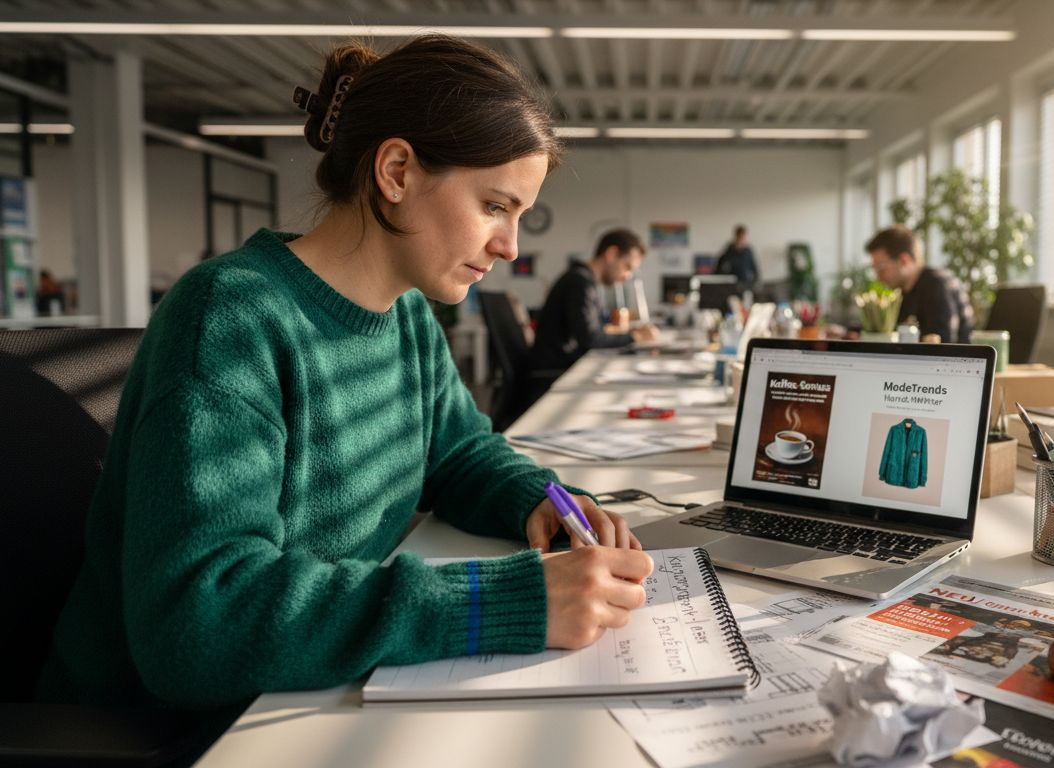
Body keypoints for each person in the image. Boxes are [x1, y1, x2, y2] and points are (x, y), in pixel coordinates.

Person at [40, 35, 653, 713]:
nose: (510, 245)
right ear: (395, 171)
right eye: (495, 206)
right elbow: (200, 619)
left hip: (307, 685)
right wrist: (497, 601)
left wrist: (541, 499)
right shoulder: (230, 317)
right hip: (177, 729)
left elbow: (458, 453)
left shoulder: (408, 316)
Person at [530, 228, 659, 373]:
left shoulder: (584, 280)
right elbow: (590, 339)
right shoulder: (579, 282)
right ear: (612, 254)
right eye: (627, 267)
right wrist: (635, 336)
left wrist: (631, 331)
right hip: (556, 372)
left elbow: (595, 330)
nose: (627, 276)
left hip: (564, 366)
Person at [866, 225, 975, 344]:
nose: (878, 277)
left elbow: (942, 344)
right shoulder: (903, 292)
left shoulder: (937, 285)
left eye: (881, 268)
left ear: (904, 260)